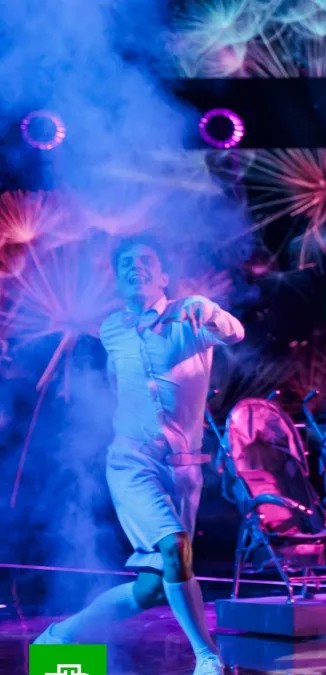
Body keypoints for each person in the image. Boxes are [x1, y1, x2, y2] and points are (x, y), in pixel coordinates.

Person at [34, 237, 244, 675]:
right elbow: (117, 382)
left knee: (151, 588)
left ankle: (60, 638)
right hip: (132, 464)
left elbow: (234, 333)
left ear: (164, 276)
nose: (136, 267)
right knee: (175, 545)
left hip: (184, 472)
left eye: (146, 260)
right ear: (118, 279)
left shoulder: (190, 314)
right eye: (126, 263)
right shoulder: (112, 330)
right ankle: (207, 658)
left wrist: (208, 309)